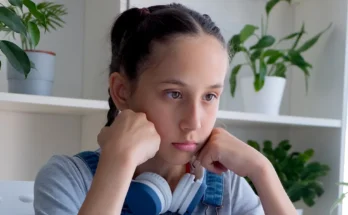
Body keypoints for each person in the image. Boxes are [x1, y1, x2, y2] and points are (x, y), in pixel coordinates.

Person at [33, 3, 297, 215]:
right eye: (174, 94)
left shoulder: (229, 188)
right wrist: (118, 163)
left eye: (209, 96)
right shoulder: (68, 180)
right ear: (122, 92)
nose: (194, 122)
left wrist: (263, 171)